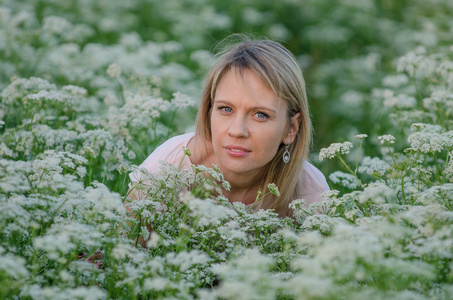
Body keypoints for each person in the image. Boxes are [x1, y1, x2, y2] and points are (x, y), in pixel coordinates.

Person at [129, 35, 329, 219]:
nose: (237, 131)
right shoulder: (165, 173)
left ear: (291, 128)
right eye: (226, 109)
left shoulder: (309, 194)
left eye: (260, 115)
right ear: (208, 111)